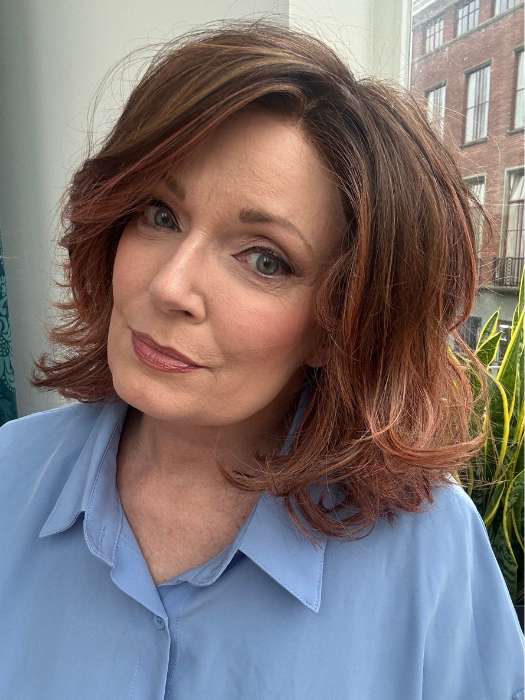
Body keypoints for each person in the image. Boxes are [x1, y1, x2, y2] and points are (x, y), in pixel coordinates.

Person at [0, 18, 523, 700]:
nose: (170, 287)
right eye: (160, 215)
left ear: (340, 322)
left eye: (264, 260)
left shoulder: (427, 551)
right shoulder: (10, 475)